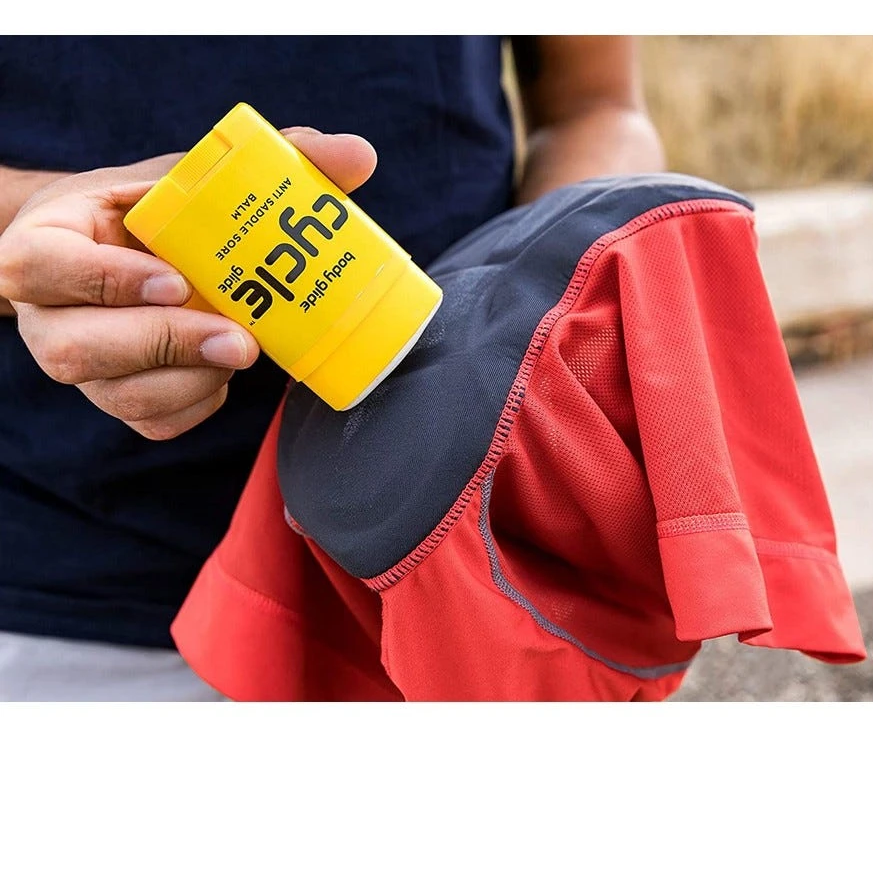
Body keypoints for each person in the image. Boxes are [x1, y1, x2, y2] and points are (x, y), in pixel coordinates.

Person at [0, 36, 665, 700]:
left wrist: (539, 307)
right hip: (75, 590)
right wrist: (48, 252)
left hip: (474, 555)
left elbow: (597, 107)